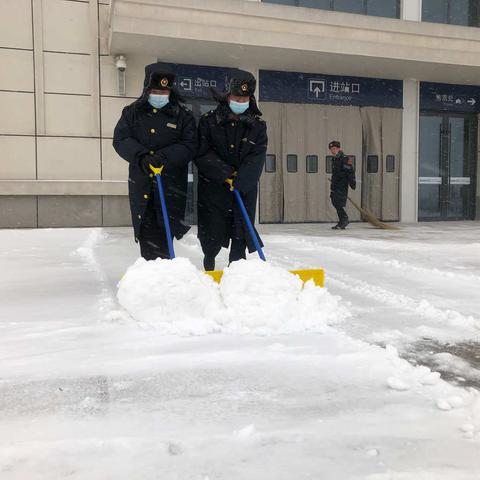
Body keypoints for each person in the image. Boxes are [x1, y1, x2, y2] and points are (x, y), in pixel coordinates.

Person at [113, 63, 196, 260]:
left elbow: (190, 144)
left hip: (171, 184)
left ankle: (165, 274)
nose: (160, 94)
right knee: (146, 230)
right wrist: (142, 156)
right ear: (147, 90)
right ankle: (150, 275)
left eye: (164, 91)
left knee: (166, 228)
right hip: (142, 183)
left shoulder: (183, 115)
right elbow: (121, 139)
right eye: (156, 90)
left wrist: (164, 158)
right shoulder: (132, 112)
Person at [195, 69, 268, 271]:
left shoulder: (258, 126)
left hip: (243, 188)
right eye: (236, 96)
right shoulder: (208, 121)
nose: (240, 101)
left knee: (240, 230)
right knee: (213, 230)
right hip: (214, 187)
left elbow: (257, 156)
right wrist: (225, 172)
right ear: (227, 96)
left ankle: (237, 269)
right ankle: (209, 259)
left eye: (244, 97)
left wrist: (241, 178)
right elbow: (202, 152)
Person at [328, 140, 356, 230]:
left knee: (338, 202)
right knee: (334, 201)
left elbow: (350, 171)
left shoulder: (345, 159)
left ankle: (344, 219)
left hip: (342, 185)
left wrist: (352, 183)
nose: (333, 151)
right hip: (335, 184)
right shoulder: (334, 159)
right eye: (331, 149)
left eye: (334, 149)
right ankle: (341, 220)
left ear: (339, 148)